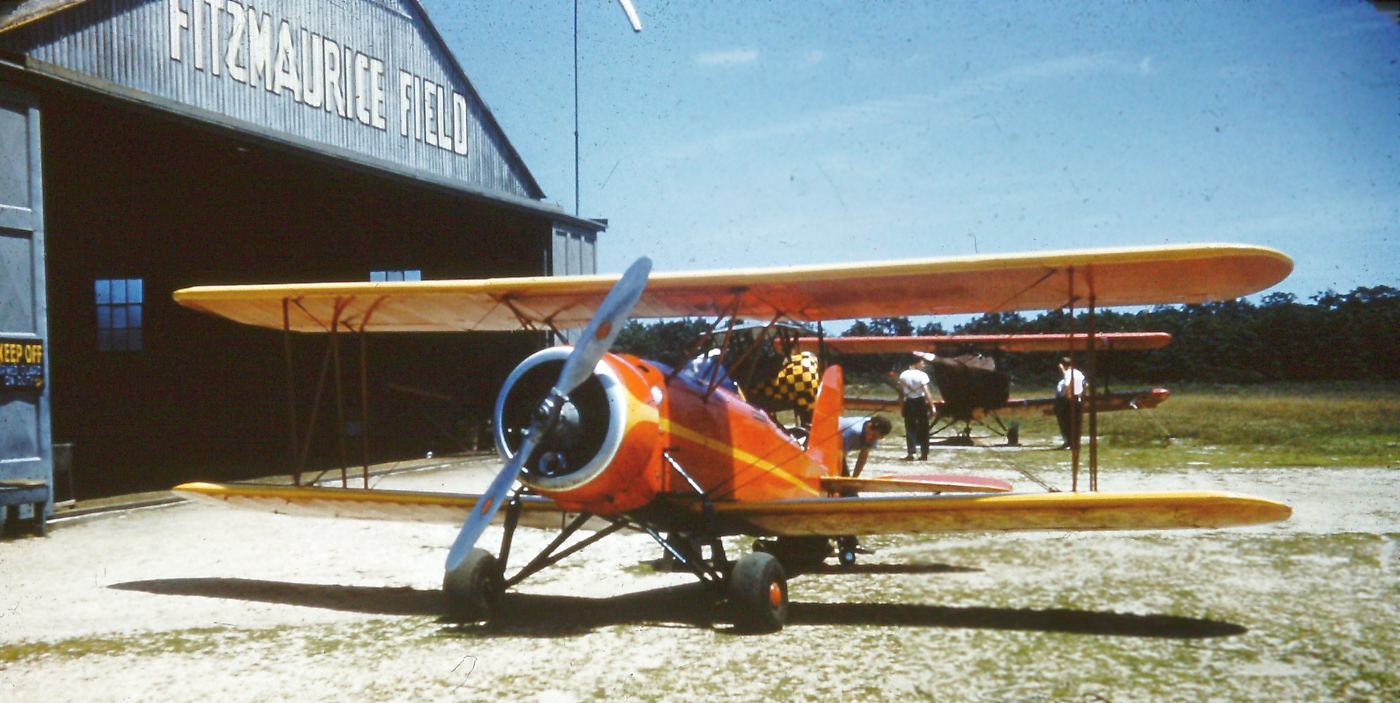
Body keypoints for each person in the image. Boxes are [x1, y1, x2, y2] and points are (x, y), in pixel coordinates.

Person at [897, 353, 936, 460]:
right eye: (922, 362)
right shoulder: (922, 375)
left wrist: (901, 406)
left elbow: (900, 393)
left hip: (908, 402)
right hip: (920, 402)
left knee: (910, 427)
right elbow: (926, 391)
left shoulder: (903, 375)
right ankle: (924, 453)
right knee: (924, 428)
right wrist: (932, 405)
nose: (923, 364)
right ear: (917, 362)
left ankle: (911, 453)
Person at [1054, 356, 1086, 449]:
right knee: (1076, 422)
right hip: (1078, 399)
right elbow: (1085, 384)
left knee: (1067, 422)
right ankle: (1075, 442)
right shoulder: (1079, 373)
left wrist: (1068, 397)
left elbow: (1068, 385)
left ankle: (1069, 442)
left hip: (1067, 400)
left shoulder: (1068, 373)